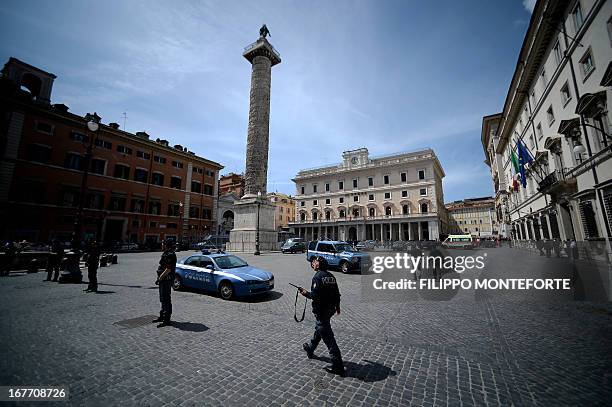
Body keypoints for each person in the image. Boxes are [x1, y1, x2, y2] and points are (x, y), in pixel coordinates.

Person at [299, 256, 345, 376]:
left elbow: (315, 295)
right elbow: (337, 294)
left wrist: (305, 293)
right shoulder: (331, 276)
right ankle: (310, 348)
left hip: (321, 310)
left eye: (315, 262)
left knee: (328, 338)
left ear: (319, 264)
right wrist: (338, 307)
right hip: (330, 310)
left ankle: (338, 365)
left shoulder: (317, 277)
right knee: (319, 329)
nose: (313, 263)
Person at [153, 239, 177, 328]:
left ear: (167, 245)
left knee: (166, 298)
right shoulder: (166, 253)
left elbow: (168, 269)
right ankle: (162, 316)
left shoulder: (170, 255)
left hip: (166, 279)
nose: (161, 245)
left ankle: (167, 319)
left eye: (163, 244)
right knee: (162, 298)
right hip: (163, 279)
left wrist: (160, 278)